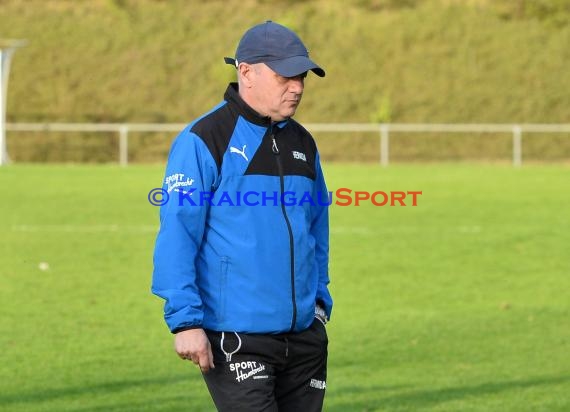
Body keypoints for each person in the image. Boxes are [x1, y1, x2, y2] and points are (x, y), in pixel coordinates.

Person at [152, 20, 333, 412]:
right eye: (285, 74)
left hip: (304, 337)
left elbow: (316, 226)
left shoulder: (303, 142)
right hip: (236, 337)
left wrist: (319, 301)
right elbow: (178, 234)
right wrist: (185, 321)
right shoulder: (204, 139)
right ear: (245, 71)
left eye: (301, 75)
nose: (297, 86)